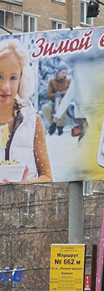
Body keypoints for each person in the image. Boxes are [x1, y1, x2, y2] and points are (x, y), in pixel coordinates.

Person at [0, 39, 52, 184]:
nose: (5, 86)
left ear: (22, 80)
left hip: (24, 204)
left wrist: (24, 184)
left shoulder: (32, 121)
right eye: (0, 77)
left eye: (13, 78)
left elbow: (47, 177)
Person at [41, 67, 72, 135]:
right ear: (58, 73)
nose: (64, 75)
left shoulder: (68, 81)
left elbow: (71, 94)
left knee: (62, 107)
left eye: (66, 73)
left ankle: (60, 126)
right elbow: (49, 95)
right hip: (53, 102)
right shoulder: (52, 81)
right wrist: (60, 94)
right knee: (45, 108)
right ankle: (52, 125)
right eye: (63, 73)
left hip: (64, 103)